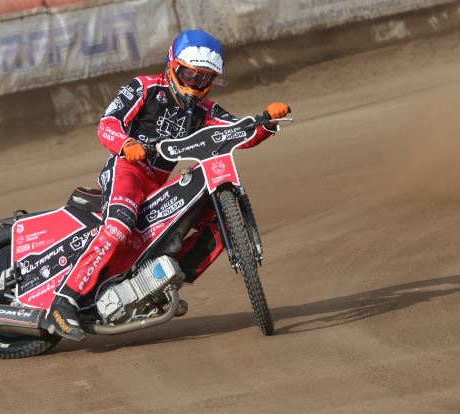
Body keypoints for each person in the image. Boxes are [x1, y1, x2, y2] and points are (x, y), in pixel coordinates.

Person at [43, 29, 289, 341]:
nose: (195, 84)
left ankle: (157, 284)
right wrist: (126, 144)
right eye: (189, 74)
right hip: (127, 169)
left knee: (218, 217)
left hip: (158, 184)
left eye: (205, 78)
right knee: (119, 225)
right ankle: (63, 302)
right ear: (172, 65)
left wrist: (267, 123)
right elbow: (108, 124)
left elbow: (238, 133)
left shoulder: (206, 110)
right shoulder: (144, 87)